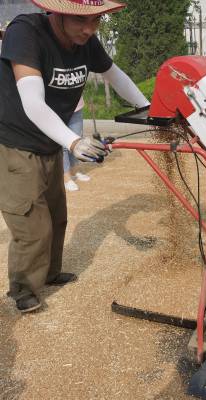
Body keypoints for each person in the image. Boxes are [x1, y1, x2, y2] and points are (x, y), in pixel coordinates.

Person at [0, 0, 150, 313]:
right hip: (14, 141)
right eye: (82, 21)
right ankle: (24, 289)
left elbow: (114, 75)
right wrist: (73, 142)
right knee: (30, 221)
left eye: (96, 21)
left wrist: (148, 109)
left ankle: (50, 272)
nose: (89, 29)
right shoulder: (26, 32)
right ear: (59, 13)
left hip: (48, 140)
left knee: (56, 214)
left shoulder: (85, 41)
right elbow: (32, 102)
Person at [63, 97, 90, 191]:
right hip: (56, 108)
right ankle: (66, 177)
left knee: (76, 140)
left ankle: (75, 171)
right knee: (63, 144)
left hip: (76, 106)